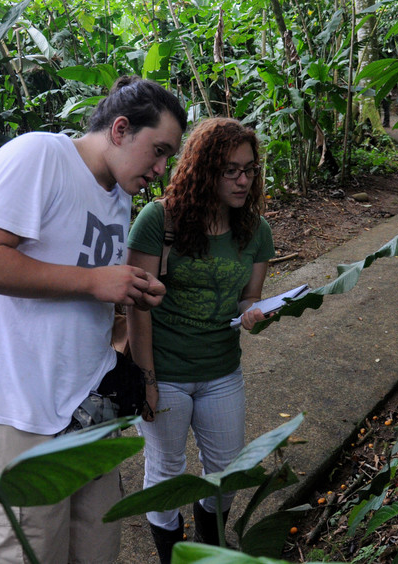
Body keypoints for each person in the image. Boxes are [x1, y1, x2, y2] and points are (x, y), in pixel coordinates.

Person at [0, 76, 186, 564]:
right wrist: (95, 282)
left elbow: (92, 287)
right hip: (20, 407)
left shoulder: (118, 195)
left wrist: (131, 297)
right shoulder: (39, 156)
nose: (162, 170)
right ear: (120, 129)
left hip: (85, 409)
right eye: (159, 151)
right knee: (26, 550)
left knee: (96, 547)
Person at [125, 117, 275, 563]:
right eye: (231, 169)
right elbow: (136, 305)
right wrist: (146, 378)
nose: (243, 179)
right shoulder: (160, 219)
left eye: (249, 169)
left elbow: (248, 297)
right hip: (165, 372)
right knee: (168, 472)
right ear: (203, 169)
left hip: (221, 371)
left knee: (226, 474)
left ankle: (210, 551)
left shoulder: (255, 230)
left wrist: (254, 314)